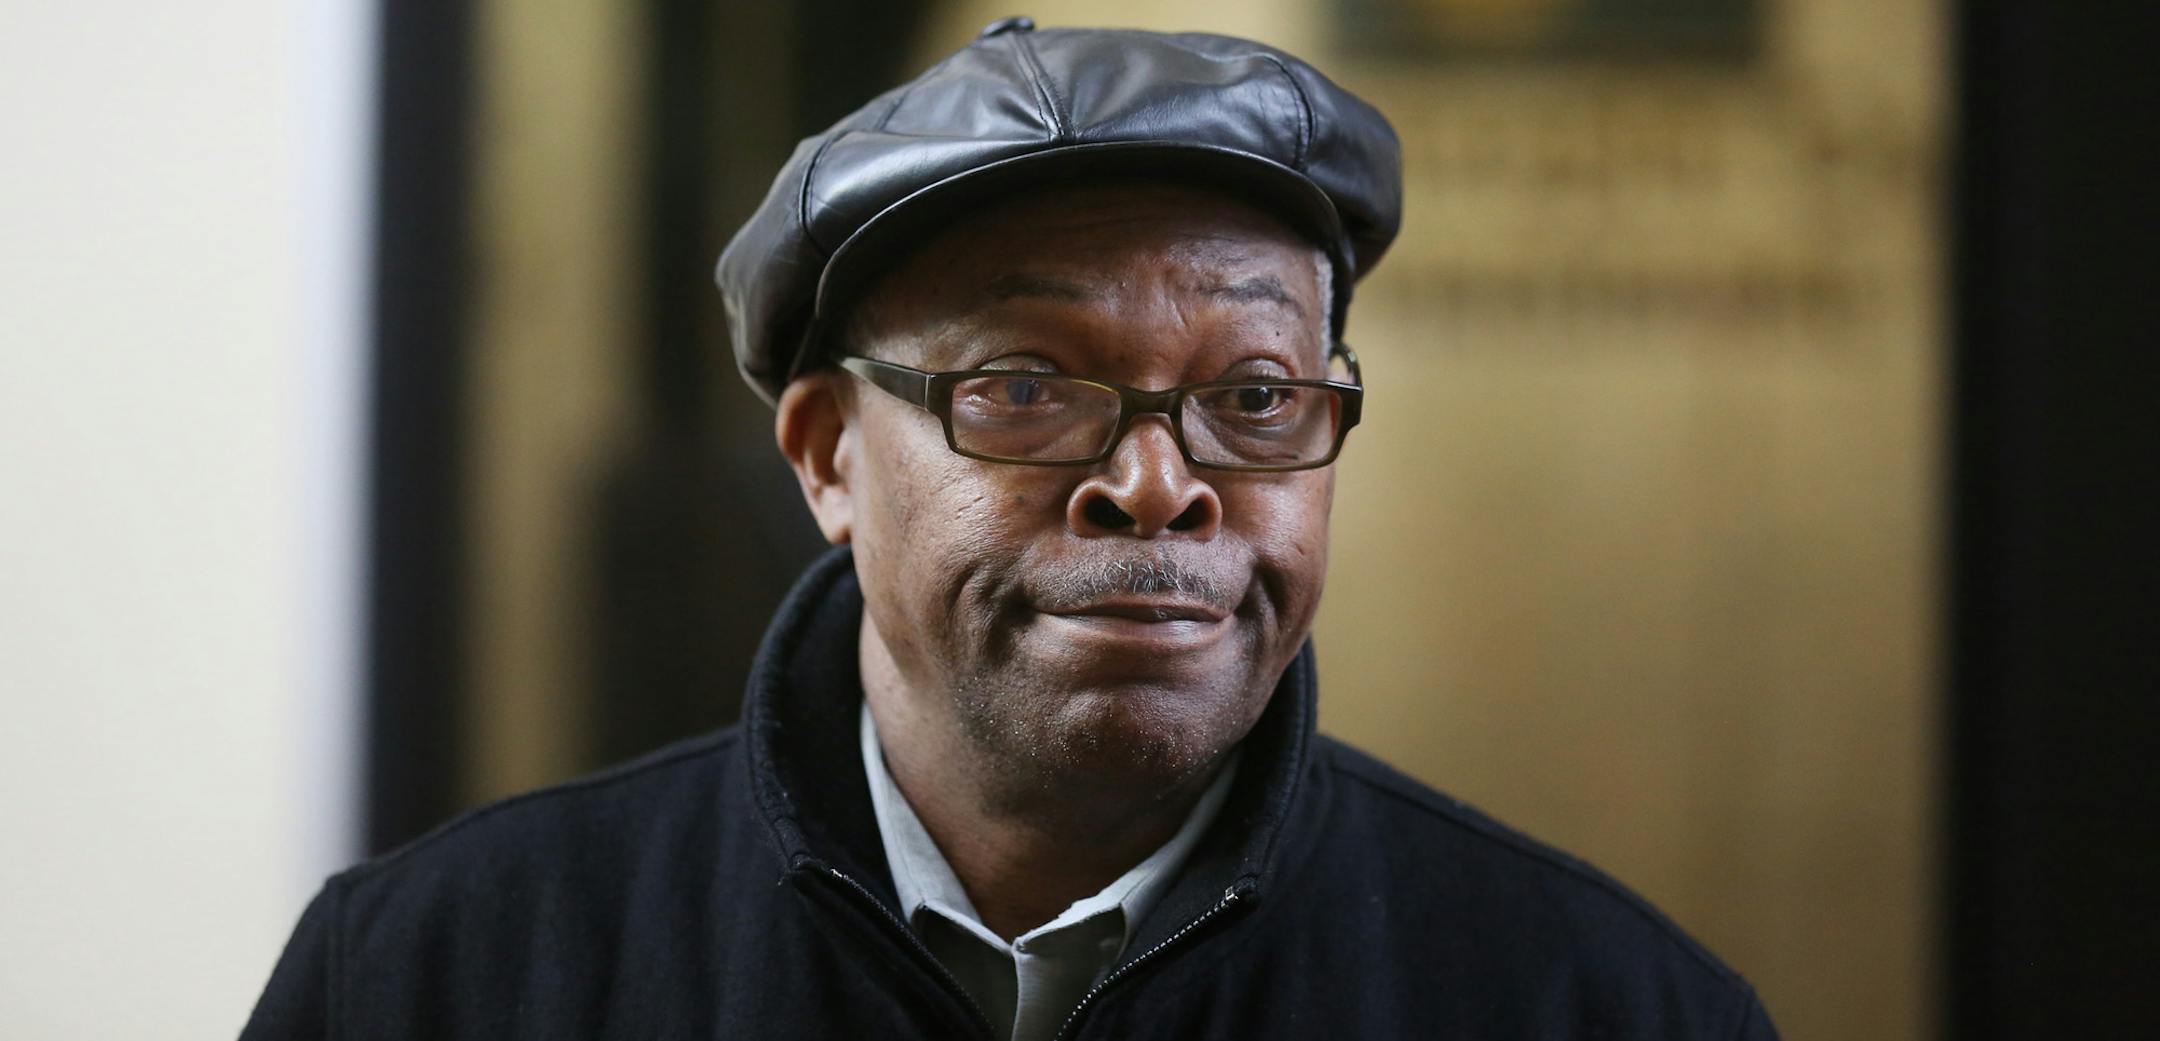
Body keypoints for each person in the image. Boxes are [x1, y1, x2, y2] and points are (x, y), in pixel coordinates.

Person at [243, 20, 1778, 1040]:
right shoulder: (436, 982)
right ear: (830, 456)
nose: (1160, 483)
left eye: (1253, 393)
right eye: (1029, 385)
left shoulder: (1597, 1005)